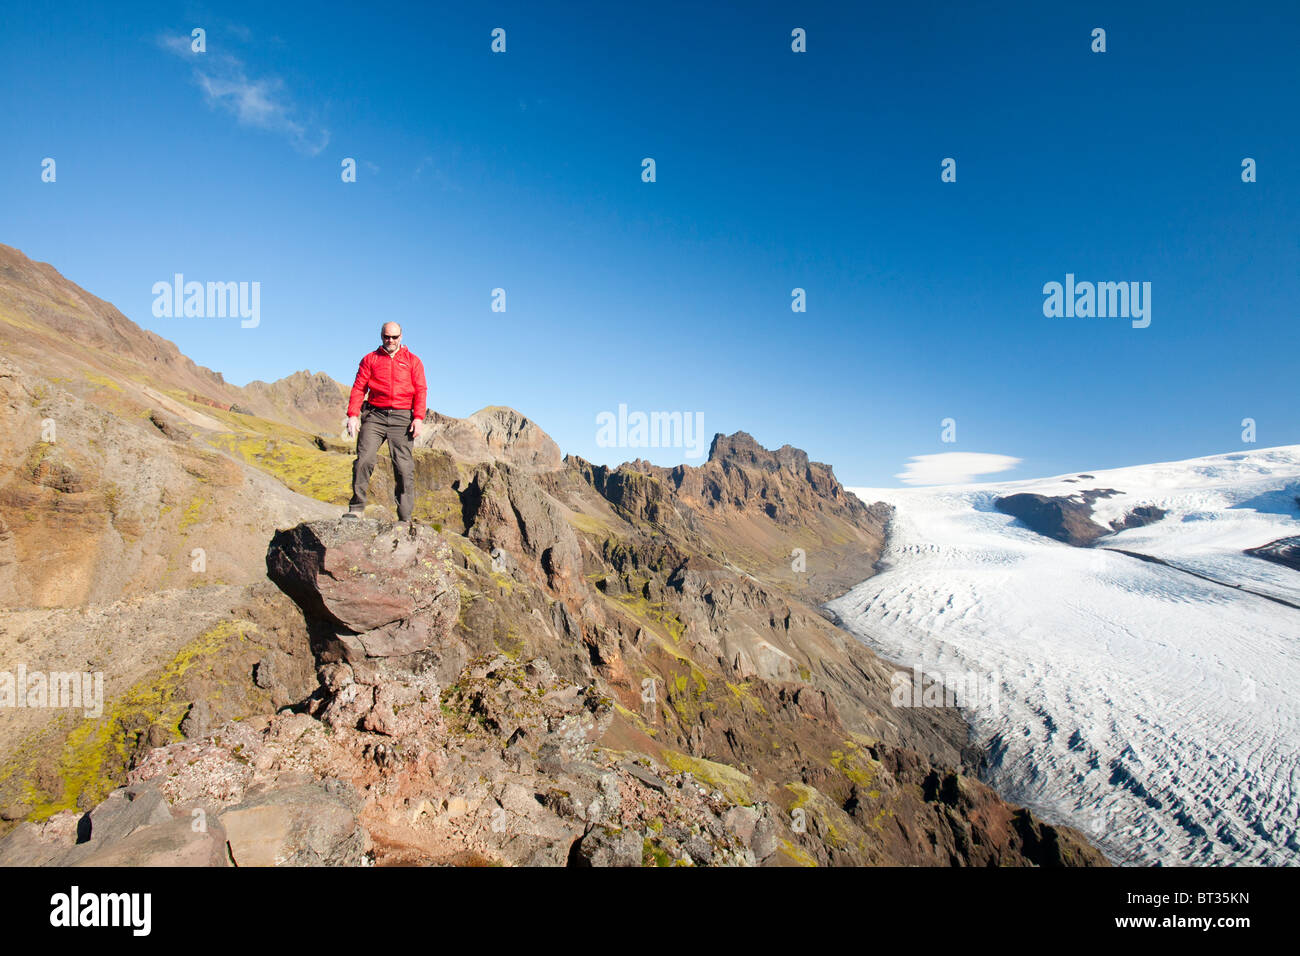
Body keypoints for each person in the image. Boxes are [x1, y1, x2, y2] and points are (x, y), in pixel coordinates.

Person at [343, 322, 427, 522]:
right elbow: (358, 388)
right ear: (381, 336)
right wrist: (353, 415)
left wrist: (418, 418)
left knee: (404, 468)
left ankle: (405, 518)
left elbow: (421, 390)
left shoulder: (413, 361)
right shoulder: (370, 359)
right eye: (386, 337)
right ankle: (356, 508)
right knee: (364, 460)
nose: (390, 341)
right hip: (375, 416)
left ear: (401, 337)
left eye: (394, 337)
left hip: (402, 418)